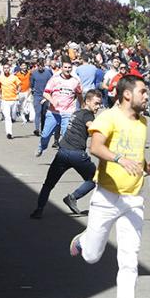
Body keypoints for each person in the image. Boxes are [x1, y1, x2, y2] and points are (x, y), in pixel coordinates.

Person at [69, 75, 150, 298]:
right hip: (106, 197)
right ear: (127, 94)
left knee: (129, 260)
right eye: (143, 91)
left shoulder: (142, 122)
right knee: (91, 256)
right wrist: (119, 159)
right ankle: (84, 240)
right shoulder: (108, 117)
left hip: (133, 200)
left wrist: (148, 167)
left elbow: (137, 157)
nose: (147, 95)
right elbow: (96, 147)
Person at [30, 89, 103, 219]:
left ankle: (39, 209)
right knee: (95, 178)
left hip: (62, 152)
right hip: (77, 155)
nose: (98, 107)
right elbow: (91, 126)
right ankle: (73, 197)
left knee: (48, 184)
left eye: (99, 104)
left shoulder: (77, 112)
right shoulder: (88, 115)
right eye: (96, 103)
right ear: (87, 101)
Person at [36, 56, 83, 156]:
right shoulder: (55, 79)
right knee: (45, 135)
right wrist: (52, 101)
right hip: (54, 112)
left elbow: (79, 95)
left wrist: (82, 107)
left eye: (69, 67)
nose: (67, 69)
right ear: (61, 68)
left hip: (68, 112)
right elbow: (46, 93)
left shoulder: (75, 81)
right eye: (65, 67)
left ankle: (63, 155)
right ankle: (42, 147)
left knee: (66, 135)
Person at [30, 59, 54, 136]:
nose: (40, 67)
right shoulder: (34, 73)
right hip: (37, 96)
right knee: (38, 112)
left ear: (44, 65)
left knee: (44, 113)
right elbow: (32, 84)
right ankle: (37, 129)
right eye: (39, 65)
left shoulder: (48, 72)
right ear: (37, 65)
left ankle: (43, 129)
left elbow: (52, 83)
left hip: (46, 95)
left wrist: (48, 96)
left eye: (42, 65)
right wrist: (33, 92)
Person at [0, 62, 21, 139]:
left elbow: (19, 85)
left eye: (7, 68)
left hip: (13, 99)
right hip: (5, 100)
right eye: (5, 68)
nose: (6, 69)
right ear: (3, 69)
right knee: (7, 117)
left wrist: (18, 91)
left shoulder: (14, 77)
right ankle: (9, 133)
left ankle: (14, 118)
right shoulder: (0, 77)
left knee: (13, 116)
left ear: (9, 69)